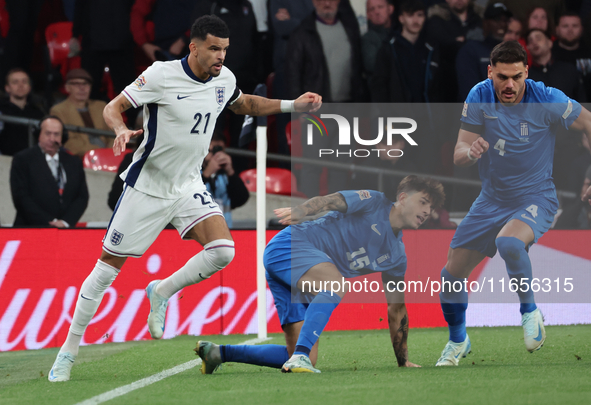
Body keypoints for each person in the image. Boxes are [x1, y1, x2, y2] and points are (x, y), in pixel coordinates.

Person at [47, 15, 321, 382]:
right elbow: (114, 107)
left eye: (224, 49)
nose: (220, 56)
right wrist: (120, 129)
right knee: (104, 272)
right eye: (213, 49)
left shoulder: (224, 79)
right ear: (193, 47)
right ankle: (67, 353)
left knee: (224, 250)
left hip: (187, 184)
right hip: (147, 186)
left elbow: (246, 106)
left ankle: (160, 291)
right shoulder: (161, 74)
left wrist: (293, 105)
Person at [435, 40, 591, 367]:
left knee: (508, 242)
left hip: (536, 197)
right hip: (491, 200)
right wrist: (470, 151)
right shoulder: (479, 95)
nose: (509, 85)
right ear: (490, 72)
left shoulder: (546, 97)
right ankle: (458, 341)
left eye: (516, 77)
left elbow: (588, 122)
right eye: (502, 77)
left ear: (526, 73)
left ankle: (529, 311)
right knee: (450, 277)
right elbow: (458, 153)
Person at [195, 175, 445, 374]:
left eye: (431, 207)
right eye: (423, 202)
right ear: (402, 197)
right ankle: (301, 358)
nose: (427, 211)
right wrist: (304, 209)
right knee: (335, 285)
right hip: (291, 246)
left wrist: (403, 361)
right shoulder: (375, 202)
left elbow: (397, 309)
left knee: (298, 355)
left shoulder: (397, 256)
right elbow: (333, 200)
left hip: (306, 273)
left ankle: (217, 353)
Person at [10, 115, 88, 227]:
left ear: (63, 137)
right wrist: (50, 222)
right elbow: (21, 197)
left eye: (56, 134)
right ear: (39, 135)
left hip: (64, 231)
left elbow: (82, 197)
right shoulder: (23, 159)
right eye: (48, 133)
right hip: (30, 229)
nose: (52, 139)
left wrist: (65, 223)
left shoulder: (74, 162)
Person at [49, 68, 114, 158]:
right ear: (67, 88)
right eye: (76, 84)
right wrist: (97, 152)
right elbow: (68, 142)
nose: (82, 88)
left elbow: (113, 133)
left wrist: (109, 152)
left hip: (108, 155)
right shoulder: (59, 110)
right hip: (80, 157)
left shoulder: (101, 106)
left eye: (85, 84)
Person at [455, 2, 510, 101]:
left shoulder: (508, 52)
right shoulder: (470, 50)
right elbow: (470, 92)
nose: (502, 24)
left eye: (505, 20)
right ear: (485, 23)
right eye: (497, 20)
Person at [201, 132, 250, 228]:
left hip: (224, 230)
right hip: (201, 229)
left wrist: (230, 172)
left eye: (220, 150)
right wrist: (206, 174)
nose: (215, 154)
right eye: (211, 150)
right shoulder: (194, 174)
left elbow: (241, 199)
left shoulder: (225, 176)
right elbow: (186, 197)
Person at [0, 68, 45, 156]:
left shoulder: (38, 112)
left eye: (24, 82)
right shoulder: (1, 110)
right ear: (7, 88)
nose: (20, 85)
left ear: (29, 87)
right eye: (15, 82)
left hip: (32, 162)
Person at [362, 0, 395, 77]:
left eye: (380, 7)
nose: (377, 12)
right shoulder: (368, 39)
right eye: (372, 9)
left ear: (390, 9)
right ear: (368, 15)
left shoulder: (400, 33)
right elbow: (372, 65)